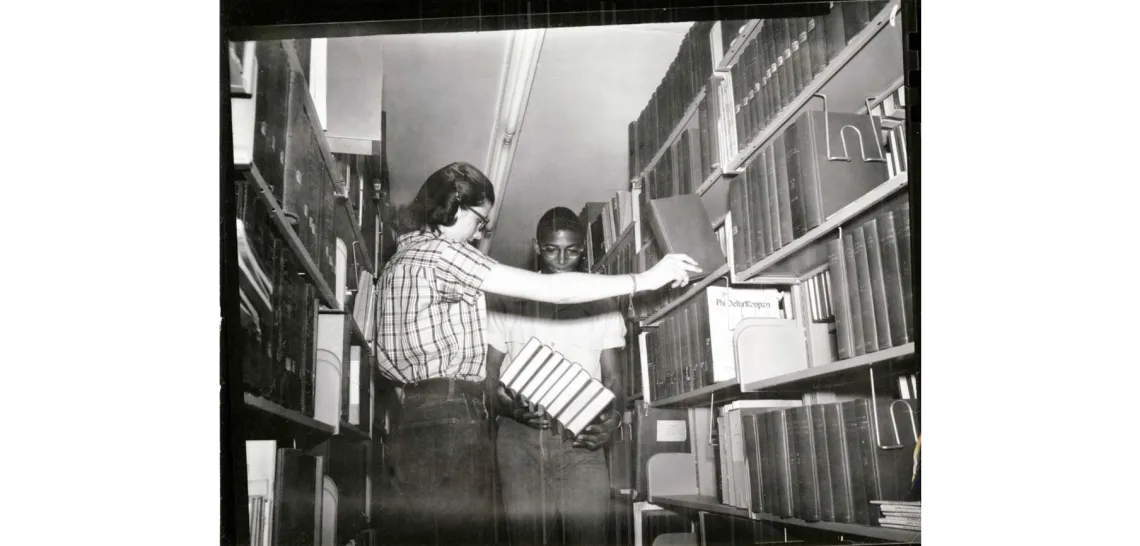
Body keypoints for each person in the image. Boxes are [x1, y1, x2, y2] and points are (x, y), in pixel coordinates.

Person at [373, 162, 700, 546]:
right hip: (450, 419)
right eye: (481, 221)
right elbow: (556, 291)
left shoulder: (400, 258)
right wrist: (646, 279)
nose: (480, 234)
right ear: (456, 208)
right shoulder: (443, 254)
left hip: (413, 418)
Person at [486, 206, 629, 546]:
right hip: (518, 440)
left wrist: (614, 420)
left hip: (580, 441)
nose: (562, 259)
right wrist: (507, 409)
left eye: (573, 250)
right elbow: (488, 376)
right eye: (552, 249)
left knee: (590, 537)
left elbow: (614, 380)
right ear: (537, 246)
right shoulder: (508, 300)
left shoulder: (603, 304)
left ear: (584, 249)